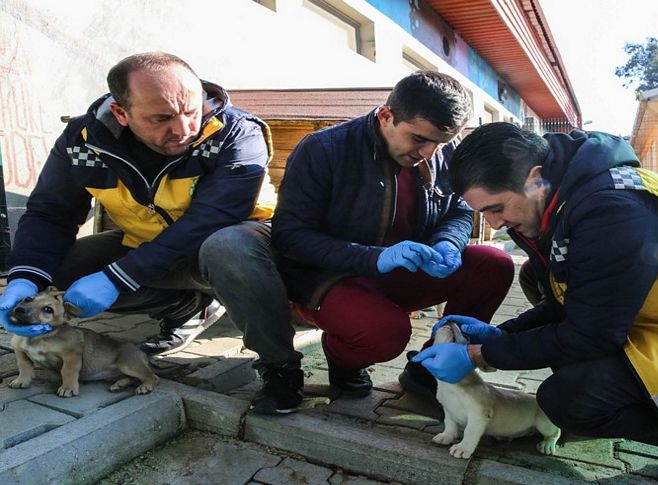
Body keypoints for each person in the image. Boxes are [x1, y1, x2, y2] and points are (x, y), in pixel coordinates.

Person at [414, 122, 658, 484]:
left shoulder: (613, 210)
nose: (494, 224)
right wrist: (500, 335)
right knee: (535, 277)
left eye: (496, 208)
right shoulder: (564, 199)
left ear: (535, 178)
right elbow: (574, 302)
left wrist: (479, 355)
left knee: (569, 401)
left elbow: (588, 332)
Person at [0, 52, 300, 414]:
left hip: (241, 247)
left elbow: (213, 218)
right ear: (121, 114)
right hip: (151, 247)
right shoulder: (82, 143)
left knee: (228, 246)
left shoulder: (235, 132)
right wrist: (24, 277)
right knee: (58, 275)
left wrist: (117, 277)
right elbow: (50, 213)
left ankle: (280, 366)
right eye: (161, 118)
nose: (185, 128)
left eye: (191, 110)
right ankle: (187, 307)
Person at [272, 71, 514, 407]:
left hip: (405, 271)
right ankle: (343, 363)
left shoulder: (443, 151)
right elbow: (289, 236)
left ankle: (429, 370)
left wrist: (448, 242)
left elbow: (458, 211)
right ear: (386, 115)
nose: (429, 153)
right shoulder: (323, 149)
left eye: (440, 143)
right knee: (387, 334)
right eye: (418, 139)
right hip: (331, 278)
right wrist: (373, 258)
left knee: (494, 264)